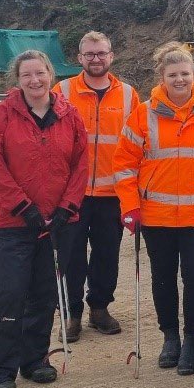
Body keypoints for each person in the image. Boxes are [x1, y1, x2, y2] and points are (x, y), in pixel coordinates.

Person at [113, 42, 194, 375]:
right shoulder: (142, 114)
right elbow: (125, 164)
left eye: (185, 73)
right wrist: (129, 206)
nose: (180, 79)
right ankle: (169, 337)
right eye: (173, 74)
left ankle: (192, 341)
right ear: (162, 76)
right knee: (163, 279)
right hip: (156, 216)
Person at [0, 50, 88, 388]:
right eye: (27, 75)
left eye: (39, 73)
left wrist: (67, 206)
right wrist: (22, 206)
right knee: (9, 295)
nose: (34, 81)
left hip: (57, 222)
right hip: (13, 224)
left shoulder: (70, 115)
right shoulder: (0, 116)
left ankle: (35, 360)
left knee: (44, 294)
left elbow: (81, 164)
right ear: (18, 79)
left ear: (51, 74)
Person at [53, 31, 140, 342]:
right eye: (89, 54)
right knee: (70, 255)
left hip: (113, 194)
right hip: (72, 194)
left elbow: (137, 144)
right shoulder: (61, 91)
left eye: (101, 53)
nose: (95, 59)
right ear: (80, 58)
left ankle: (99, 308)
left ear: (111, 56)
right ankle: (71, 313)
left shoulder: (129, 95)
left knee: (107, 255)